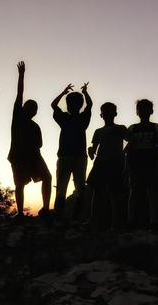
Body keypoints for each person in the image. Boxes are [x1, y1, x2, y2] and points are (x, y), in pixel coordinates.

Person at [8, 61, 52, 226]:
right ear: (24, 108)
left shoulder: (35, 126)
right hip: (19, 156)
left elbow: (39, 145)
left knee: (47, 177)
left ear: (35, 112)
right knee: (19, 184)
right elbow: (19, 93)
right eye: (29, 106)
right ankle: (20, 213)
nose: (32, 109)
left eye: (34, 108)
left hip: (33, 156)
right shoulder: (17, 117)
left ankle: (45, 209)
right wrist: (21, 75)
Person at [51, 82, 92, 226]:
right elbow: (53, 105)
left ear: (79, 105)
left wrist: (85, 93)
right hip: (66, 156)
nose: (71, 105)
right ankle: (60, 217)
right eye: (69, 103)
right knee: (62, 187)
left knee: (79, 187)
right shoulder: (66, 118)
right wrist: (63, 92)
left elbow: (90, 105)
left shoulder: (82, 118)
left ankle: (74, 218)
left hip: (77, 157)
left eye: (73, 103)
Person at [85, 102, 129, 230]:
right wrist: (91, 151)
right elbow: (94, 148)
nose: (107, 114)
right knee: (97, 192)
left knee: (115, 193)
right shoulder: (98, 132)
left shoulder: (121, 128)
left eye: (110, 111)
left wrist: (124, 153)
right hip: (101, 163)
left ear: (115, 113)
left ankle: (116, 222)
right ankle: (93, 219)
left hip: (115, 163)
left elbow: (131, 140)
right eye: (105, 112)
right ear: (101, 115)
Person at [126, 99, 158, 233]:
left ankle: (153, 222)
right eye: (141, 109)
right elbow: (129, 148)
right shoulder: (132, 128)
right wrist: (127, 164)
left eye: (146, 109)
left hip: (150, 164)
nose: (143, 111)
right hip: (136, 164)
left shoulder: (156, 127)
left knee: (152, 193)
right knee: (134, 192)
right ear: (137, 112)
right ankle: (131, 221)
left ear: (151, 111)